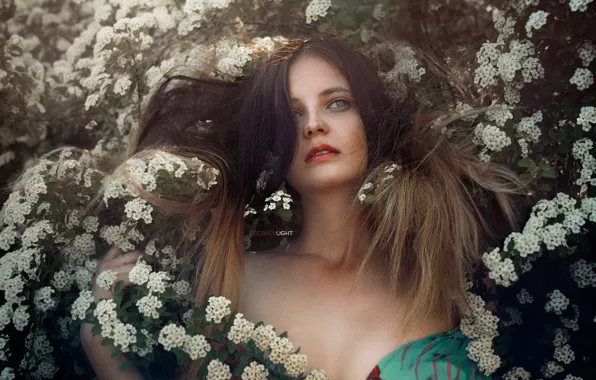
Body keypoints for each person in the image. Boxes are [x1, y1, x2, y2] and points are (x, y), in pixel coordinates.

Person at [81, 35, 529, 379]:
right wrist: (104, 346)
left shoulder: (449, 267)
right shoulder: (236, 281)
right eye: (291, 114)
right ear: (272, 145)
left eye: (337, 103)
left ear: (370, 121)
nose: (314, 125)